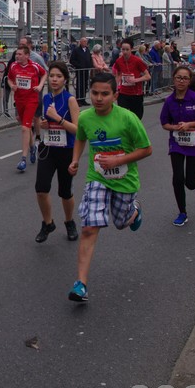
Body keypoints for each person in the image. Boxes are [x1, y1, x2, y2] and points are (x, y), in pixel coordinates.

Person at [67, 73, 150, 302]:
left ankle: (134, 211)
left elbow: (146, 149)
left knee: (121, 223)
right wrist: (75, 160)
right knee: (89, 227)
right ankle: (80, 284)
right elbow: (81, 138)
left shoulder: (128, 118)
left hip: (125, 179)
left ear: (115, 95)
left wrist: (118, 160)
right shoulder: (85, 118)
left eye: (105, 94)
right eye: (94, 93)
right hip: (98, 178)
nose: (99, 98)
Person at [160, 67, 195, 227]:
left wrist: (189, 124)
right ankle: (182, 212)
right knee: (177, 178)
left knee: (189, 183)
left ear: (189, 81)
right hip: (177, 144)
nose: (181, 81)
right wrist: (174, 127)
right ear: (173, 79)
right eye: (178, 77)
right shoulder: (169, 101)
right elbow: (164, 123)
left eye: (185, 78)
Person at [34, 62, 80, 243]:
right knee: (41, 188)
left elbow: (78, 130)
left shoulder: (70, 100)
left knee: (65, 192)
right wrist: (44, 125)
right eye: (52, 76)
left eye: (58, 76)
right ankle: (48, 223)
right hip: (48, 148)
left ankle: (69, 222)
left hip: (66, 150)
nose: (54, 79)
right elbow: (44, 122)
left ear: (65, 79)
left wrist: (58, 119)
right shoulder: (46, 98)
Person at [7, 45, 47, 172]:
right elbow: (9, 78)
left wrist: (40, 86)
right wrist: (12, 85)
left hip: (31, 100)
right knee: (25, 126)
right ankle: (32, 147)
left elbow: (44, 74)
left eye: (20, 54)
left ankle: (23, 159)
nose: (17, 56)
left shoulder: (34, 66)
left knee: (25, 128)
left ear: (26, 56)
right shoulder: (13, 66)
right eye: (16, 54)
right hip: (19, 100)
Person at [111, 40, 151, 120]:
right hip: (123, 93)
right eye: (123, 49)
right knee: (122, 117)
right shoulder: (119, 61)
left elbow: (148, 76)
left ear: (131, 49)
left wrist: (135, 80)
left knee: (136, 118)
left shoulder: (137, 61)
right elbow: (118, 74)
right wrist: (116, 87)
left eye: (127, 49)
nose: (125, 52)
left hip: (136, 94)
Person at [70, 37, 93, 106]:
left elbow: (89, 59)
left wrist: (90, 65)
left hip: (86, 71)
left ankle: (83, 99)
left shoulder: (87, 50)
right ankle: (78, 100)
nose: (85, 43)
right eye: (84, 41)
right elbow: (72, 60)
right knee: (79, 85)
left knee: (85, 85)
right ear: (80, 42)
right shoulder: (76, 50)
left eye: (86, 41)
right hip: (80, 71)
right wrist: (79, 66)